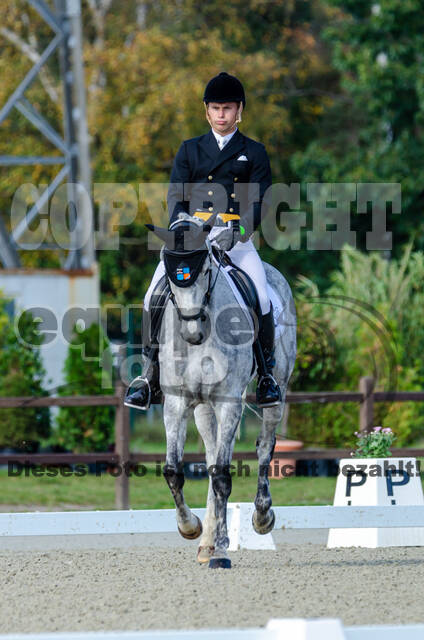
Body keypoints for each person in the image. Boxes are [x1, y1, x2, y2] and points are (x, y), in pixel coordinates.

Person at [125, 71, 281, 409]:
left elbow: (262, 201)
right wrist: (182, 229)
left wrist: (239, 231)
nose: (221, 115)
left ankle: (266, 376)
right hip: (193, 239)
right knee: (152, 294)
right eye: (215, 108)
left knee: (262, 296)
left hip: (234, 240)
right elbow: (176, 197)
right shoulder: (190, 149)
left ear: (240, 110)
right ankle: (149, 375)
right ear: (206, 111)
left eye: (227, 108)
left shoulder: (253, 152)